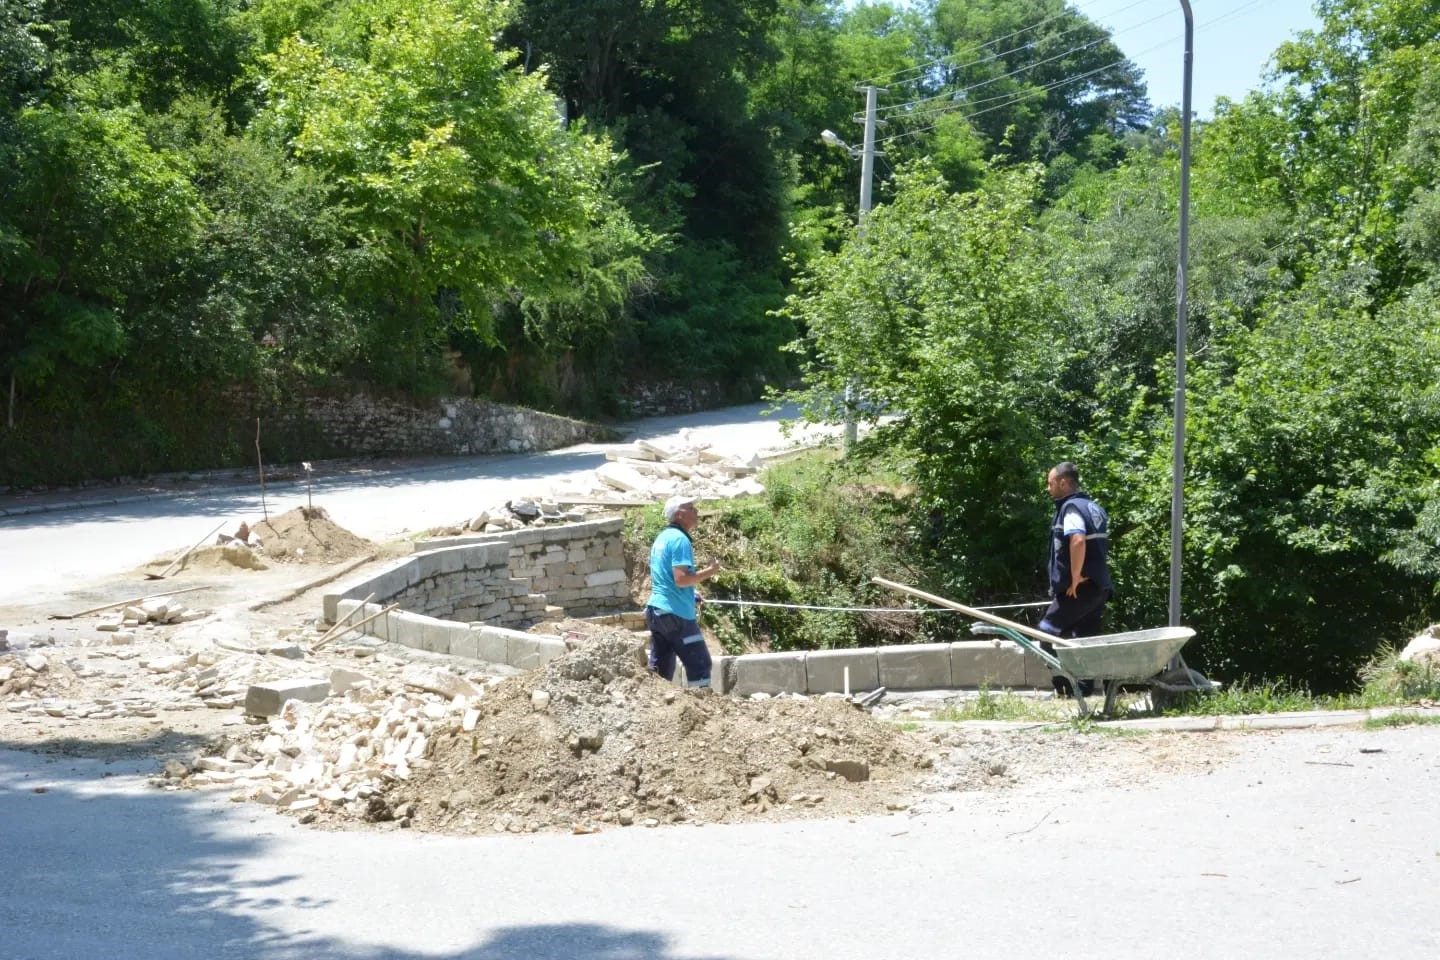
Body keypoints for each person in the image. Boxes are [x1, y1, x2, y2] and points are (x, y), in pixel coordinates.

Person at [1039, 461, 1113, 697]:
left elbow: (1078, 541)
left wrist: (1074, 577)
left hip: (1079, 588)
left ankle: (1064, 689)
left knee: (1046, 633)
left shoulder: (1071, 508)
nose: (1048, 489)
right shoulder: (1092, 507)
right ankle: (1082, 691)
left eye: (1050, 484)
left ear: (1064, 483)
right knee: (1084, 639)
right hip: (1099, 586)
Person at [644, 494, 722, 688]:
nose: (696, 511)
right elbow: (681, 579)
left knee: (661, 670)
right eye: (691, 508)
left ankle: (659, 709)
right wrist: (710, 571)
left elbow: (665, 578)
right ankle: (702, 710)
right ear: (679, 514)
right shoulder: (680, 540)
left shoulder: (662, 538)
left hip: (657, 611)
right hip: (676, 614)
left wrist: (692, 594)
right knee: (700, 664)